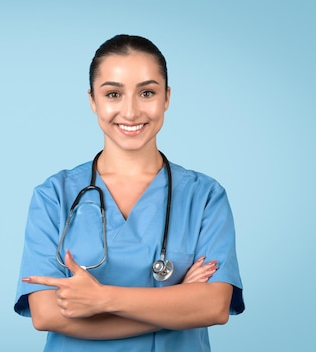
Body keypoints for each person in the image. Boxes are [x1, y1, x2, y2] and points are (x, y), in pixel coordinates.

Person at [14, 34, 244, 351]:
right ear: (93, 100)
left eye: (147, 92)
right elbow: (47, 314)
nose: (131, 111)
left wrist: (101, 299)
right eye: (113, 94)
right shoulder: (55, 195)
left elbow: (214, 307)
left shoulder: (204, 196)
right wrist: (176, 304)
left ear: (167, 98)